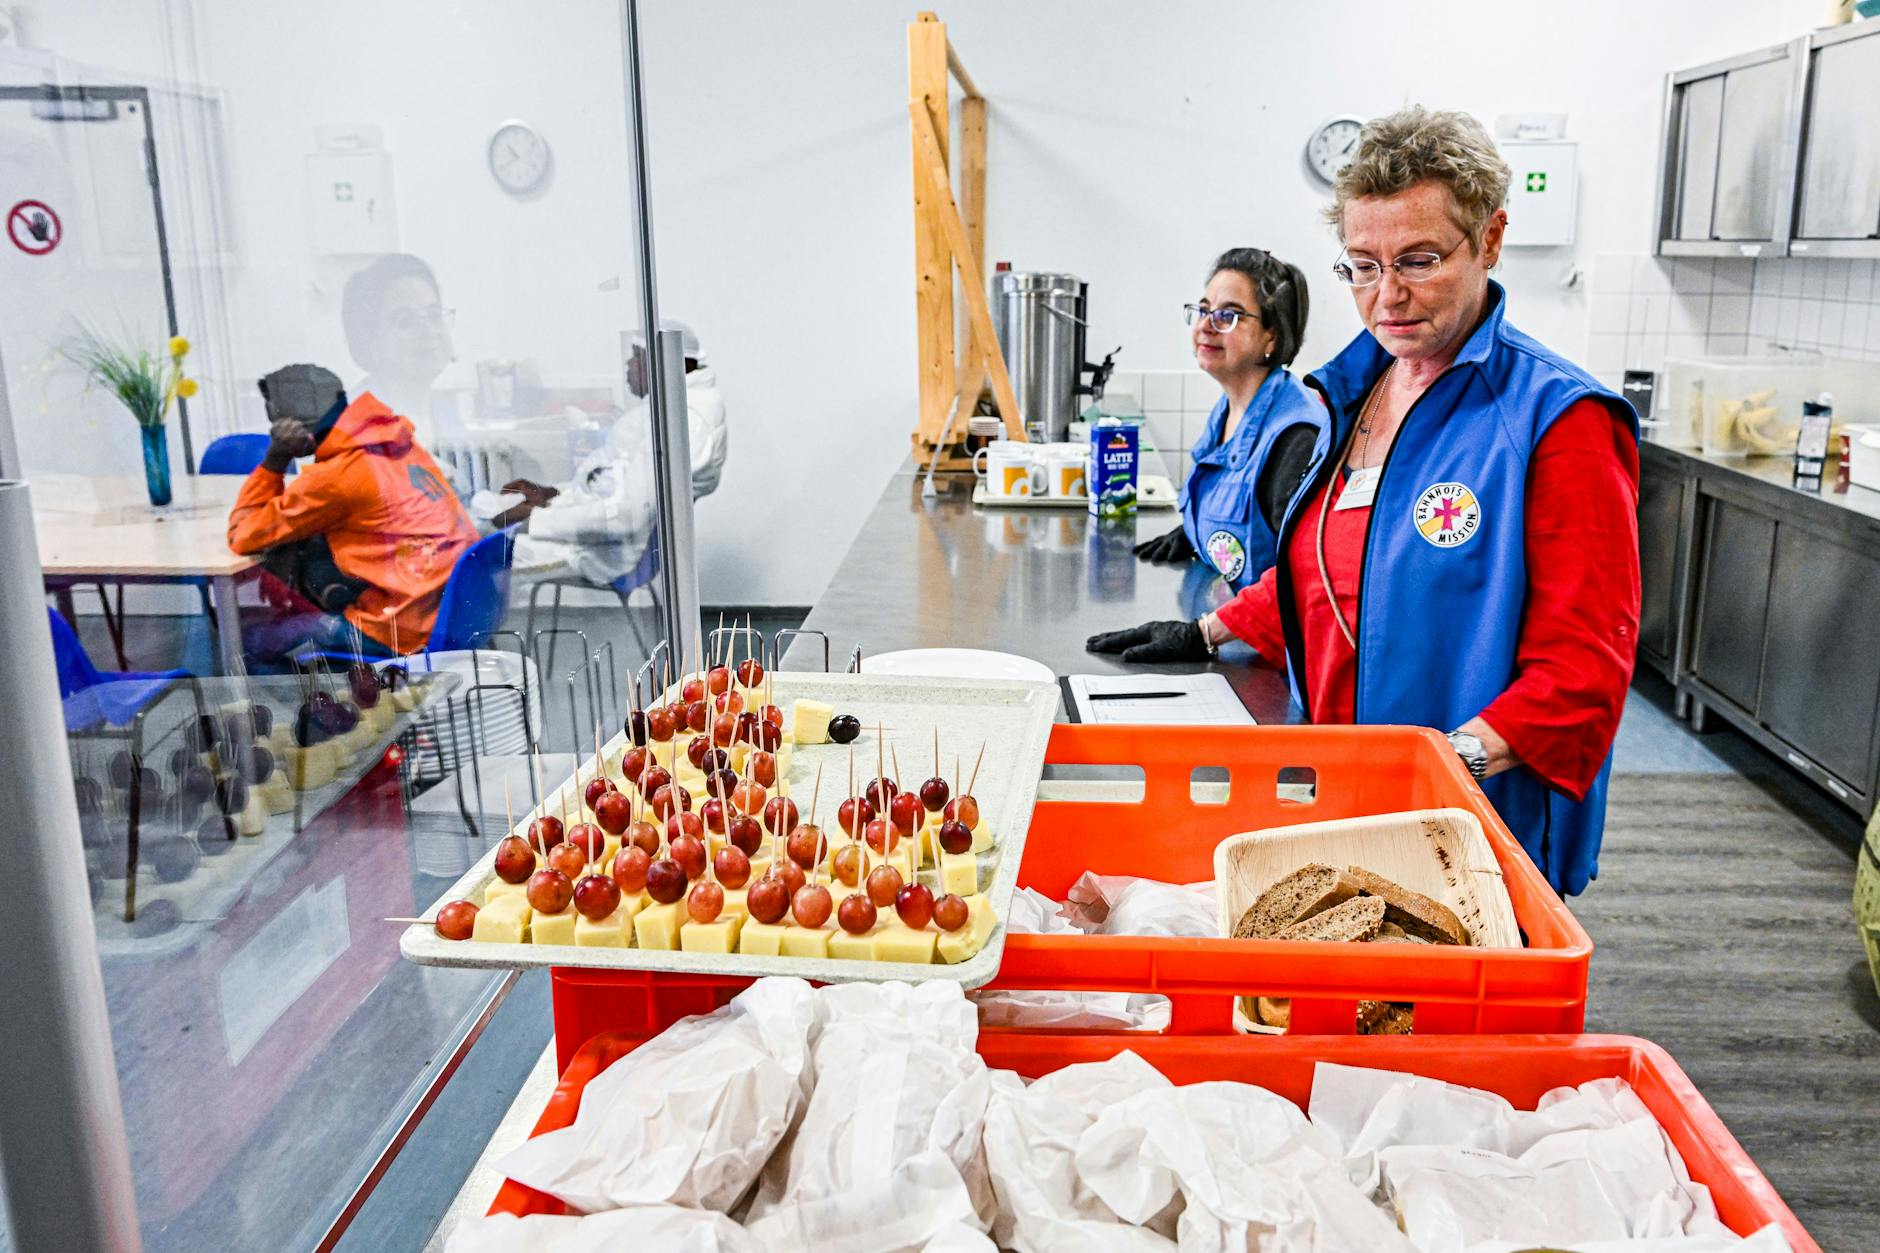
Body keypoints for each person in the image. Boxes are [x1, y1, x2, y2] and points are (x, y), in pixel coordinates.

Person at [1089, 106, 1640, 896]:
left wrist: (1450, 763)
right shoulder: (1355, 392)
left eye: (1418, 259)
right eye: (1362, 264)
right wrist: (1207, 629)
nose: (1388, 296)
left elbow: (1585, 670)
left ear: (1489, 239)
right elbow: (1334, 573)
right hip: (1342, 795)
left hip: (1470, 820)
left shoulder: (1556, 420)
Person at [227, 363, 481, 660]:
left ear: (293, 422)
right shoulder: (396, 443)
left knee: (252, 640)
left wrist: (275, 459)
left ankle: (315, 704)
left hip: (398, 629)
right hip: (447, 611)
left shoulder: (335, 476)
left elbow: (242, 536)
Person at [1133, 248, 1323, 590]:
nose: (1206, 326)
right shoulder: (1229, 409)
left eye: (1228, 315)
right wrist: (1198, 532)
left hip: (1261, 638)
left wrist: (1204, 636)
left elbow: (1301, 580)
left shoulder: (1296, 437)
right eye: (1204, 310)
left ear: (1272, 335)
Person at [501, 319, 726, 587]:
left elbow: (625, 518)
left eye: (636, 356)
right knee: (486, 523)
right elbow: (611, 485)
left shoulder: (683, 420)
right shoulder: (670, 408)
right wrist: (553, 496)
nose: (628, 365)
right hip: (601, 542)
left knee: (477, 551)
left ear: (666, 362)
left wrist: (535, 518)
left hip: (602, 555)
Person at [341, 254, 477, 493]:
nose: (428, 331)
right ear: (370, 342)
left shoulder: (443, 413)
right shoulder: (357, 425)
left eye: (434, 314)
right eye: (406, 321)